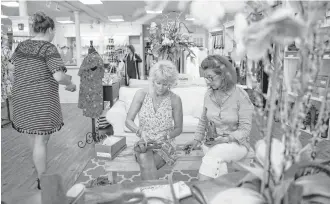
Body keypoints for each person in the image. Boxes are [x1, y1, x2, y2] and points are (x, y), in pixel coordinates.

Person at [9, 11, 76, 190]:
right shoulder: (48, 48)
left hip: (21, 96)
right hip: (41, 98)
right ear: (50, 29)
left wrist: (24, 83)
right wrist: (70, 84)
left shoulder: (21, 46)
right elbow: (59, 76)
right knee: (41, 139)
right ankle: (42, 180)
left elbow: (11, 69)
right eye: (54, 31)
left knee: (33, 134)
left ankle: (38, 166)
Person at [184, 55, 255, 181]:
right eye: (205, 78)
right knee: (215, 159)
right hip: (212, 143)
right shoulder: (208, 94)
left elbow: (245, 130)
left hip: (237, 144)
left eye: (210, 77)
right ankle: (221, 193)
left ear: (223, 75)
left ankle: (201, 189)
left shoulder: (240, 95)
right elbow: (203, 120)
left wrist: (226, 139)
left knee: (214, 154)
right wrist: (196, 140)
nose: (207, 81)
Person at [125, 60, 183, 180]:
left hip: (165, 144)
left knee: (144, 160)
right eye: (158, 83)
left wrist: (166, 136)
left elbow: (178, 129)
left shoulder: (175, 99)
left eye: (165, 84)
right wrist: (140, 132)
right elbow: (128, 121)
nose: (161, 88)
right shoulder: (141, 94)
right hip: (145, 143)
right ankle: (155, 194)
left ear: (171, 83)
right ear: (152, 81)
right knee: (144, 155)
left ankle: (150, 195)